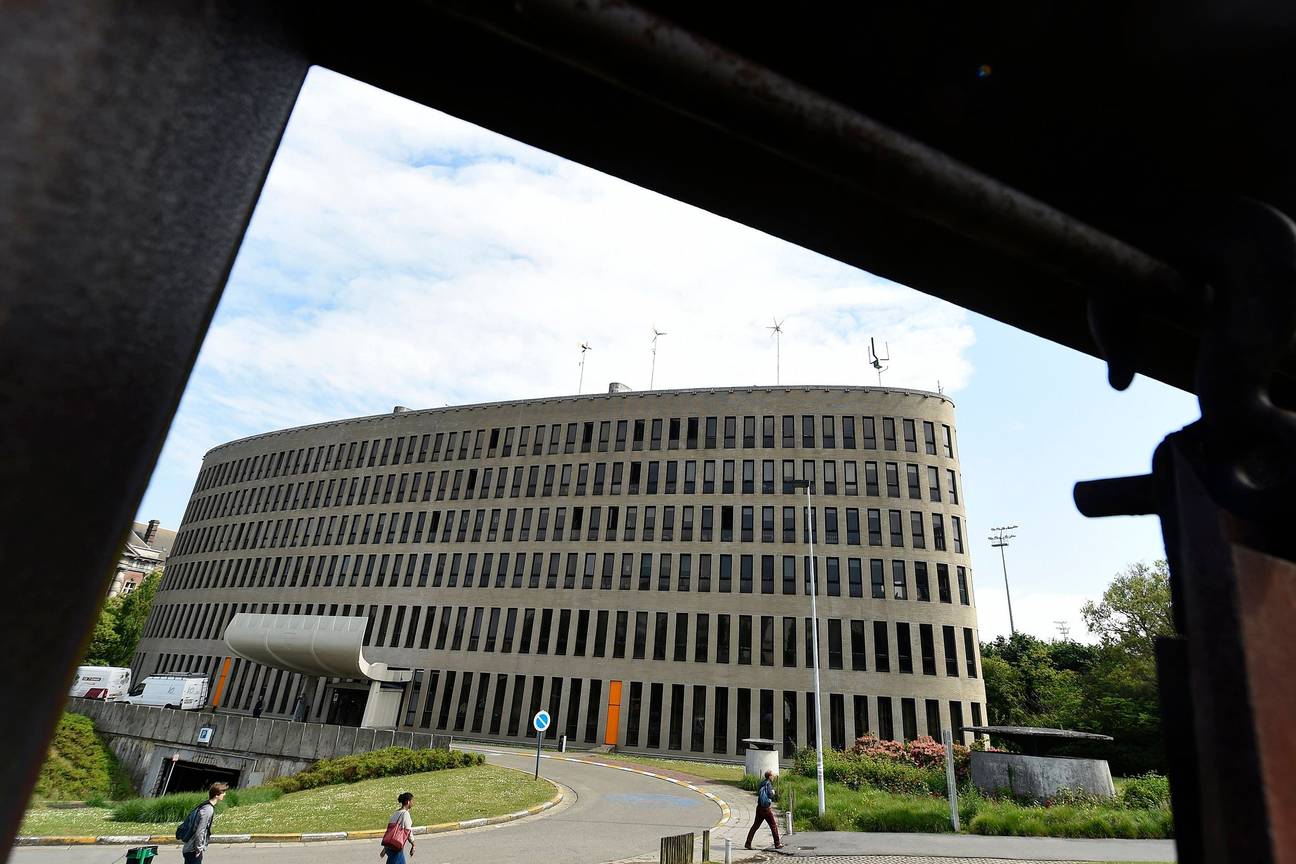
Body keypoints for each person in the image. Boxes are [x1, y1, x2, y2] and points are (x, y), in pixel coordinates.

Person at [182, 782, 228, 864]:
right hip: (193, 850)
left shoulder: (205, 805)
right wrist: (199, 849)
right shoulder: (208, 810)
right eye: (223, 792)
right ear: (217, 795)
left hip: (190, 849)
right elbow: (200, 831)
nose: (225, 794)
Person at [744, 770, 783, 850]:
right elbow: (770, 795)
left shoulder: (762, 783)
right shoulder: (768, 784)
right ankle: (777, 844)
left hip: (759, 807)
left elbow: (759, 792)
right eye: (772, 775)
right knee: (773, 825)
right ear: (769, 776)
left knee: (755, 826)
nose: (773, 777)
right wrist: (773, 792)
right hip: (765, 809)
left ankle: (748, 843)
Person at [380, 792, 416, 864]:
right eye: (412, 801)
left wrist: (385, 848)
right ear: (408, 802)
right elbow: (408, 831)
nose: (413, 803)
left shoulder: (395, 813)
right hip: (396, 847)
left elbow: (390, 832)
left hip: (390, 847)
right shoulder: (405, 814)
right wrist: (413, 845)